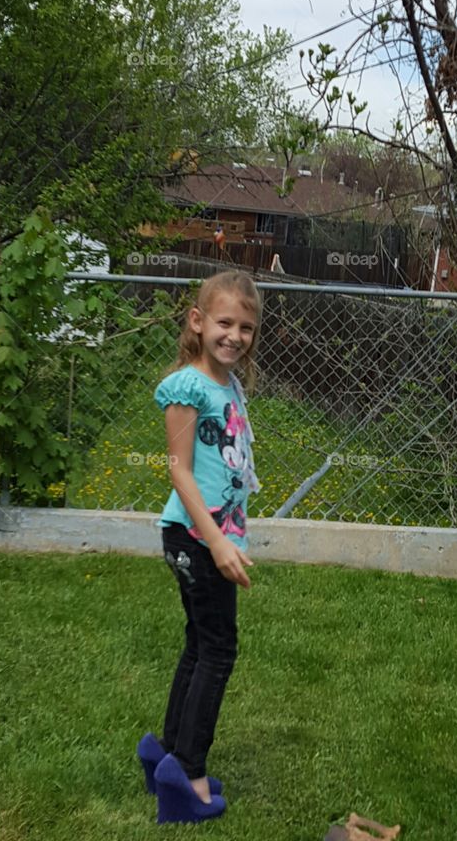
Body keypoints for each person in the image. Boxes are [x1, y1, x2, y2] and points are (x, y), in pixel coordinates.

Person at [136, 270, 262, 826]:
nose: (234, 335)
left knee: (199, 643)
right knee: (219, 650)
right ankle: (187, 774)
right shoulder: (188, 387)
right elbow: (180, 473)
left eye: (246, 327)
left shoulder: (227, 383)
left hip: (208, 538)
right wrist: (218, 544)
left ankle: (163, 753)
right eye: (224, 322)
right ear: (198, 321)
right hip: (195, 537)